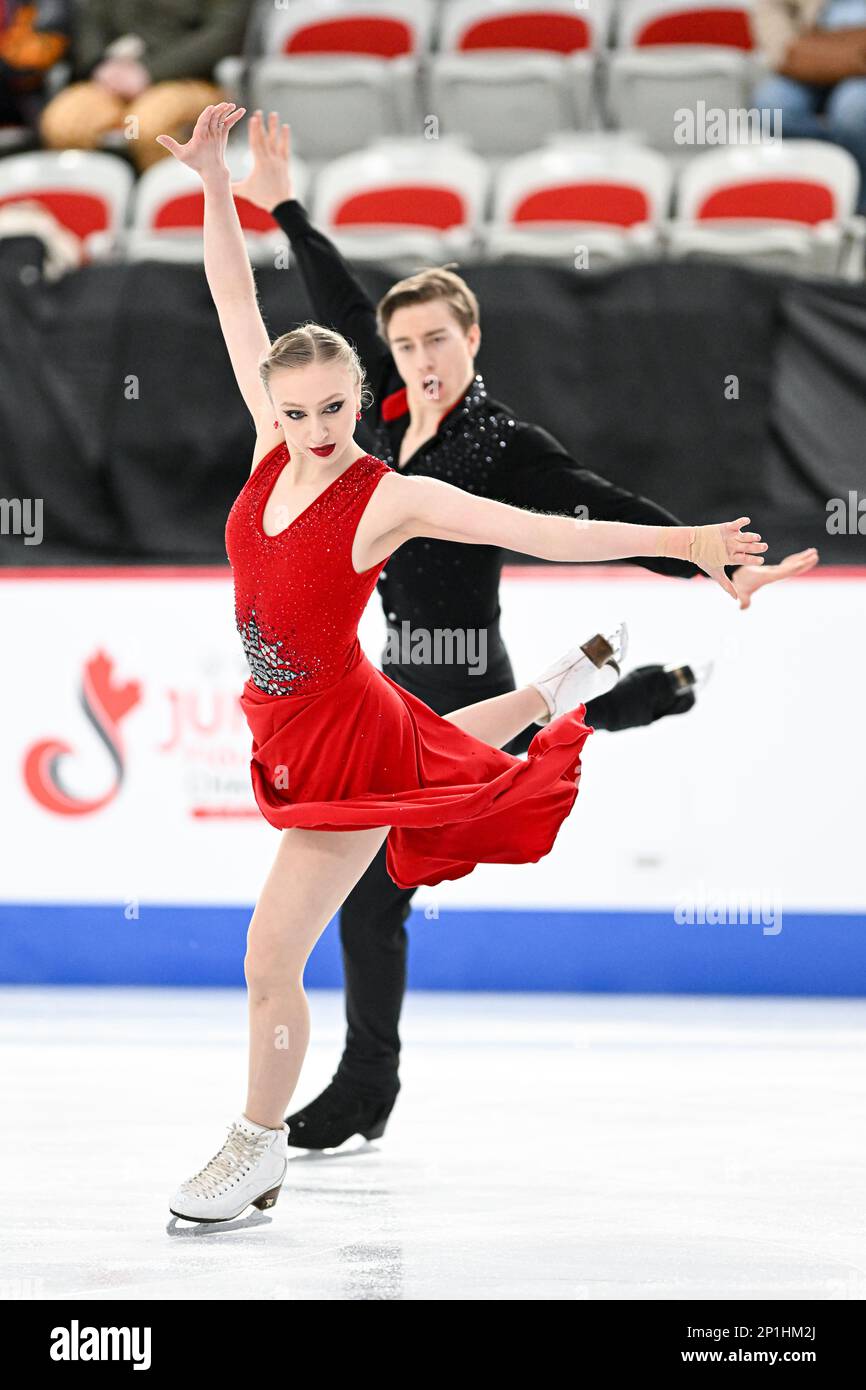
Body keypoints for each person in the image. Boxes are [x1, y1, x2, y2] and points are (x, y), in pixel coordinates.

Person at [155, 104, 770, 1224]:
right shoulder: (269, 441)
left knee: (267, 955)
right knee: (432, 744)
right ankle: (556, 688)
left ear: (360, 400)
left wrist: (686, 545)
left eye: (336, 408)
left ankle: (254, 1148)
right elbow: (234, 297)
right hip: (305, 710)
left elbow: (555, 529)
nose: (316, 428)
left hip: (334, 724)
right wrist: (212, 183)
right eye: (297, 412)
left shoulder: (386, 492)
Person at [39, 0, 252, 172]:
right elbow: (89, 18)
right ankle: (89, 218)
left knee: (149, 127)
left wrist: (149, 72)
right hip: (114, 78)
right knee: (63, 122)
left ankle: (170, 214)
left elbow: (226, 35)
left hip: (191, 78)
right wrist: (101, 65)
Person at [751, 0, 866, 212]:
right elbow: (771, 14)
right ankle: (826, 187)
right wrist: (783, 53)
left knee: (851, 111)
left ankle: (858, 205)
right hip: (814, 54)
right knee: (772, 107)